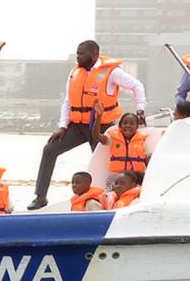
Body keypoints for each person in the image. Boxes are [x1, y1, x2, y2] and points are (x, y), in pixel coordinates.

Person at [28, 40, 146, 210]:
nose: (78, 57)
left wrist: (140, 109)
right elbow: (68, 101)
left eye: (81, 54)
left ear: (94, 54)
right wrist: (63, 126)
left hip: (101, 125)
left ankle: (107, 199)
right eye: (77, 53)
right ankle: (40, 197)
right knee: (49, 149)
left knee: (102, 163)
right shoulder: (75, 73)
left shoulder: (112, 72)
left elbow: (136, 85)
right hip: (78, 126)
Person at [94, 112, 149, 177]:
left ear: (137, 127)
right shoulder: (112, 140)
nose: (128, 125)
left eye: (132, 124)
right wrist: (99, 116)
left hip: (136, 176)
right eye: (125, 123)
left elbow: (147, 160)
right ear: (120, 126)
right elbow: (96, 136)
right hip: (117, 176)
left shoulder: (142, 142)